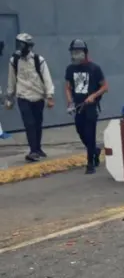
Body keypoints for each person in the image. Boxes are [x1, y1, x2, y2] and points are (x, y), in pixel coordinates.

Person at [5, 33, 55, 162]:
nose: (19, 47)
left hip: (38, 96)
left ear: (28, 46)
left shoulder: (39, 60)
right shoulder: (14, 61)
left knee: (38, 123)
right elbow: (12, 79)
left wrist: (49, 96)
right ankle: (33, 151)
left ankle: (38, 148)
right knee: (29, 123)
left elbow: (46, 78)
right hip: (23, 96)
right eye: (18, 44)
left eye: (21, 44)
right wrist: (9, 96)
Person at [64, 39, 108, 174]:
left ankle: (90, 164)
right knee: (80, 131)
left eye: (77, 52)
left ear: (85, 52)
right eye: (73, 52)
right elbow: (67, 87)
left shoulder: (94, 68)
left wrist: (93, 96)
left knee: (90, 134)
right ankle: (95, 151)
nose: (75, 55)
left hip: (91, 107)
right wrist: (70, 102)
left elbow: (105, 87)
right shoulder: (70, 69)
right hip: (78, 106)